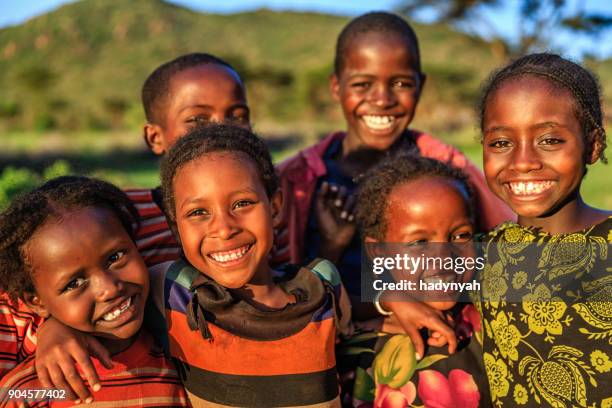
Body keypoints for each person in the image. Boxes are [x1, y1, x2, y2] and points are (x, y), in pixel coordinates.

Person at [34, 125, 352, 407]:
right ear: (175, 228)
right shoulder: (173, 291)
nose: (224, 229)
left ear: (276, 207)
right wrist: (55, 329)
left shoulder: (323, 284)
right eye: (199, 213)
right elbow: (106, 300)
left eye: (242, 204)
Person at [273, 12, 513, 324]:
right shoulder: (296, 181)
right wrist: (332, 248)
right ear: (336, 86)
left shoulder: (450, 170)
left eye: (400, 83)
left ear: (420, 86)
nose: (382, 100)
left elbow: (508, 251)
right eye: (363, 84)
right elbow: (280, 292)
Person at [477, 53, 611, 407]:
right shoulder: (486, 252)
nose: (523, 162)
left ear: (593, 145)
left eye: (550, 140)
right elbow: (386, 278)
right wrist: (391, 303)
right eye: (502, 143)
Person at [0, 176, 189, 407]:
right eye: (74, 283)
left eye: (115, 257)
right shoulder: (29, 393)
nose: (108, 289)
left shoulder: (182, 354)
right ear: (37, 302)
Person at [339, 155, 490, 407]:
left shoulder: (495, 318)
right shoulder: (359, 348)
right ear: (378, 252)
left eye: (461, 235)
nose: (443, 257)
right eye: (419, 242)